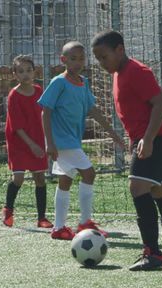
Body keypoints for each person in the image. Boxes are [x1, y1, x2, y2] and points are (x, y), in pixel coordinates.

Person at [91, 30, 162, 271]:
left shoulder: (136, 71)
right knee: (159, 190)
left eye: (104, 57)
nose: (101, 63)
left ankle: (152, 253)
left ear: (120, 50)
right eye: (98, 59)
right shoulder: (118, 73)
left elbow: (160, 103)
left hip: (158, 135)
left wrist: (148, 138)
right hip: (150, 136)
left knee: (137, 187)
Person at [39, 41, 125, 240]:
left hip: (72, 140)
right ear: (63, 60)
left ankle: (59, 227)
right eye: (73, 59)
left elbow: (92, 109)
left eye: (81, 58)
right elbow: (46, 111)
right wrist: (49, 142)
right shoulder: (58, 82)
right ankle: (85, 222)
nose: (78, 63)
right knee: (89, 173)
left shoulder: (83, 82)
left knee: (65, 181)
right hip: (62, 141)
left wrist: (112, 133)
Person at [2, 55, 53, 229]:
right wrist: (31, 145)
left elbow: (46, 114)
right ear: (15, 74)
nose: (26, 74)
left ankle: (42, 218)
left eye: (29, 70)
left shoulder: (39, 91)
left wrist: (46, 140)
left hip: (37, 139)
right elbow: (17, 126)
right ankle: (8, 209)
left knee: (40, 178)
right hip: (19, 141)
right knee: (18, 178)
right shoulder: (13, 96)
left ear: (34, 72)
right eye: (21, 71)